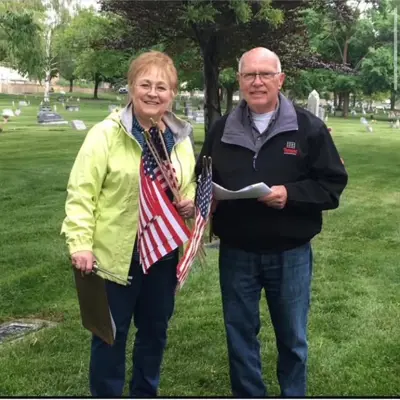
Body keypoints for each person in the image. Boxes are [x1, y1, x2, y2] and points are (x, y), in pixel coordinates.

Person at [196, 47, 348, 397]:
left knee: (292, 338)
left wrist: (289, 194)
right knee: (239, 335)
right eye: (249, 75)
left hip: (290, 252)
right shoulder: (221, 129)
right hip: (236, 252)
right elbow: (203, 178)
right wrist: (205, 198)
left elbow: (331, 186)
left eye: (265, 74)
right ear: (239, 81)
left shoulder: (309, 129)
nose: (257, 82)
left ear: (280, 80)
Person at [61, 51, 196, 397]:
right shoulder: (106, 134)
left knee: (154, 335)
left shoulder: (180, 137)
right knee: (110, 338)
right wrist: (80, 243)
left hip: (162, 257)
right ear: (131, 87)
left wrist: (190, 198)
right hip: (114, 259)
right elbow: (82, 192)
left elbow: (189, 181)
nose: (153, 93)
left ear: (172, 94)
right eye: (145, 84)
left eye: (161, 87)